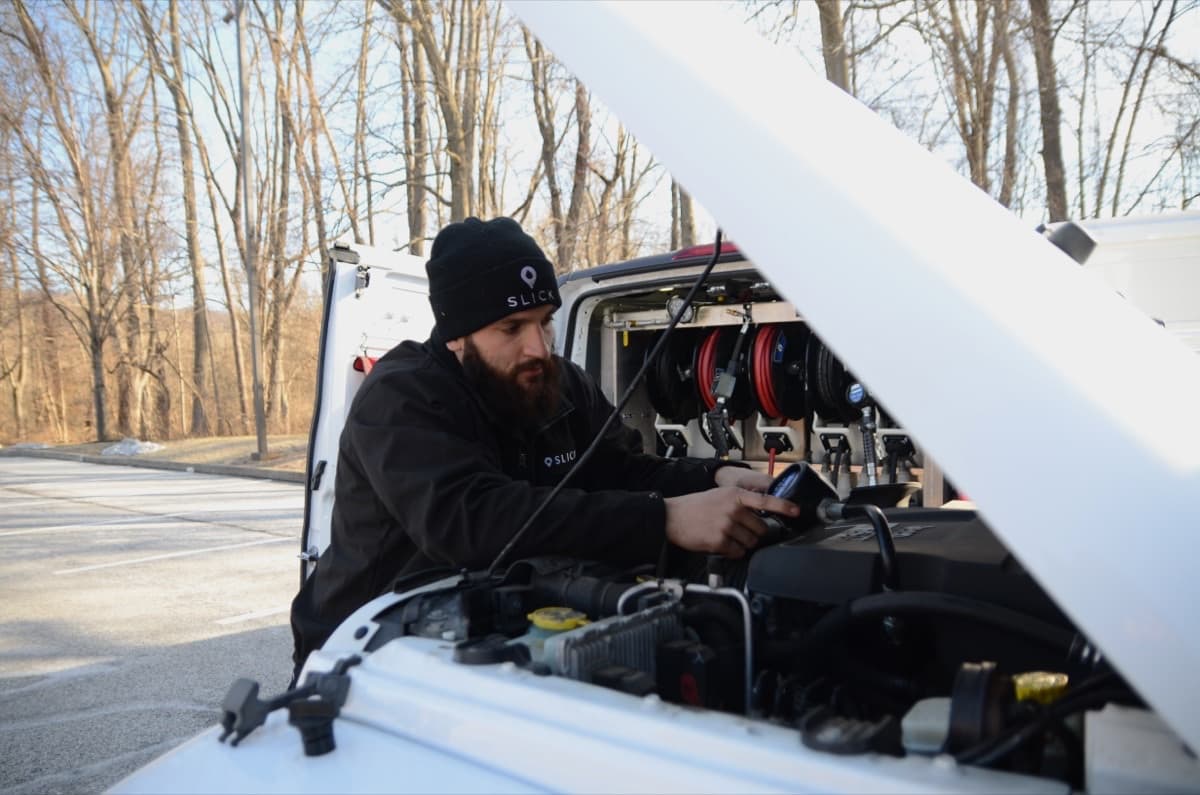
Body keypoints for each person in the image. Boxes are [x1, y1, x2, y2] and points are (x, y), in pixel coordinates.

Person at [290, 216, 800, 671]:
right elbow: (473, 522)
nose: (538, 348)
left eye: (545, 321)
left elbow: (621, 469)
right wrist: (663, 519)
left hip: (497, 636)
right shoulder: (402, 397)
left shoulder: (560, 383)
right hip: (366, 651)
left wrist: (712, 477)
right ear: (456, 335)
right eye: (511, 327)